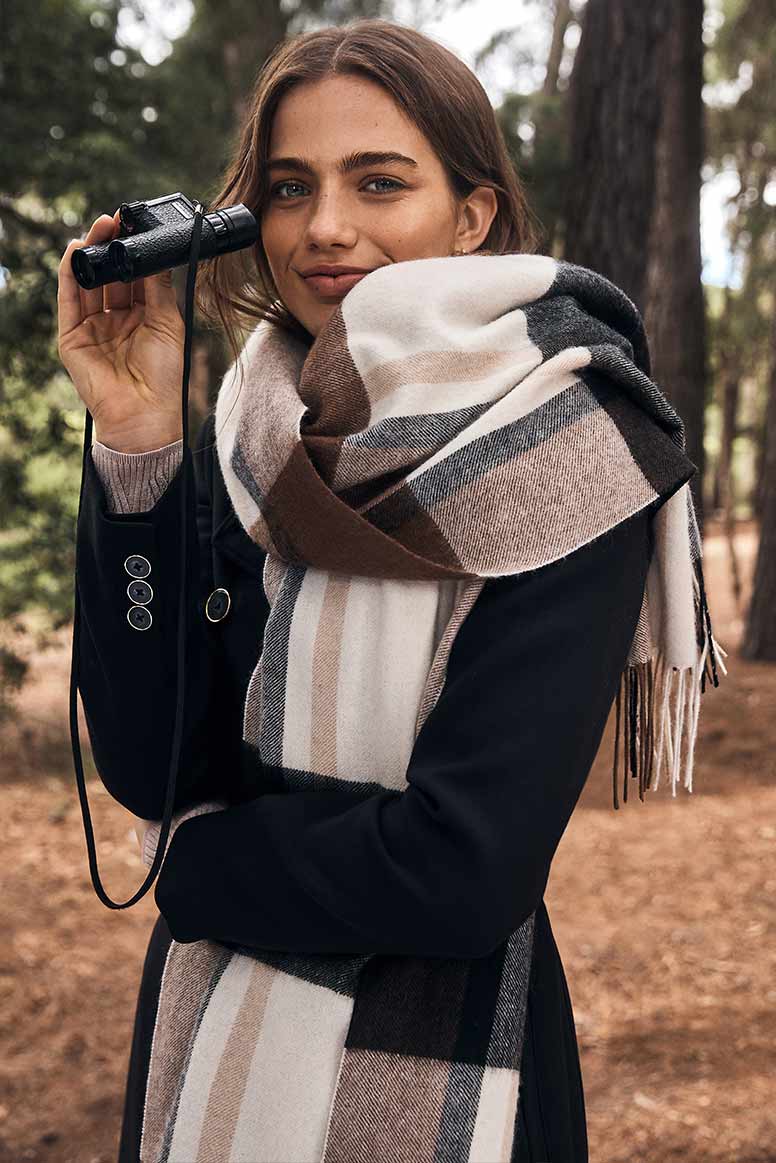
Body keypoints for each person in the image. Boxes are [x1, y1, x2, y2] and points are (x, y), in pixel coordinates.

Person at [57, 18, 717, 1163]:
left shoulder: (571, 443)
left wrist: (203, 867)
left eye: (378, 182)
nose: (324, 228)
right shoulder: (256, 437)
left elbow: (461, 870)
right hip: (208, 1049)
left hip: (452, 1063)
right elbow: (153, 762)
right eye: (287, 187)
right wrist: (135, 438)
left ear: (471, 214)